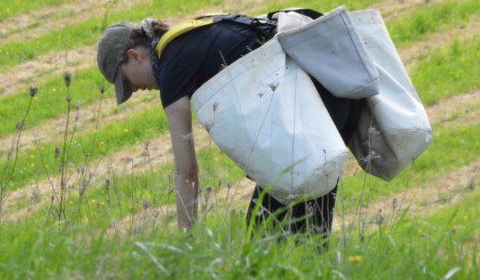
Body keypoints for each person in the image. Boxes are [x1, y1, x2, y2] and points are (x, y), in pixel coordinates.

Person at [97, 14, 363, 247]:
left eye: (127, 81)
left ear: (134, 55)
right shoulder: (191, 37)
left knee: (263, 244)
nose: (135, 89)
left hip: (309, 112)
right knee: (308, 239)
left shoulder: (173, 68)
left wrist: (185, 241)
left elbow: (186, 171)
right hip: (329, 92)